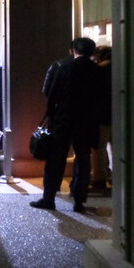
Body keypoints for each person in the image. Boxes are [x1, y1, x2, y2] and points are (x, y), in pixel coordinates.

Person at [30, 37, 102, 213]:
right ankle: (79, 201)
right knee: (83, 159)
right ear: (92, 52)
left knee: (56, 158)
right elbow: (102, 97)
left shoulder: (61, 67)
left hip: (63, 119)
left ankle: (49, 198)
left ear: (72, 50)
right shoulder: (98, 71)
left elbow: (48, 91)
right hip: (87, 121)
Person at [90, 45, 112, 190]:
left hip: (101, 115)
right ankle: (118, 176)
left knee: (99, 148)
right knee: (117, 148)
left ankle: (99, 178)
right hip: (119, 115)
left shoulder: (98, 70)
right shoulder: (122, 67)